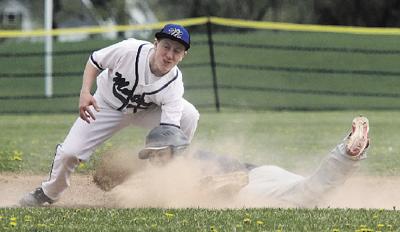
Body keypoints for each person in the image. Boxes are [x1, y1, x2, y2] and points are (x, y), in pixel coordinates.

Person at [19, 24, 200, 207]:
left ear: (184, 55)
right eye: (166, 46)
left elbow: (170, 130)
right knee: (69, 153)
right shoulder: (129, 51)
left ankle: (169, 175)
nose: (169, 55)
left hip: (147, 111)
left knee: (189, 115)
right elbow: (95, 61)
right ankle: (49, 193)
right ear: (156, 44)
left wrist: (166, 152)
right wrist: (85, 92)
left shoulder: (174, 85)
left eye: (177, 50)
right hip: (105, 106)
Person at [132, 116, 370, 207]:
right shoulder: (174, 172)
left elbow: (235, 176)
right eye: (151, 155)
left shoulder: (193, 161)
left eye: (160, 153)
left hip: (253, 181)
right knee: (310, 197)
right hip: (262, 175)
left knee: (310, 194)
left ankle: (347, 152)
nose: (154, 159)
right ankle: (347, 152)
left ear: (178, 150)